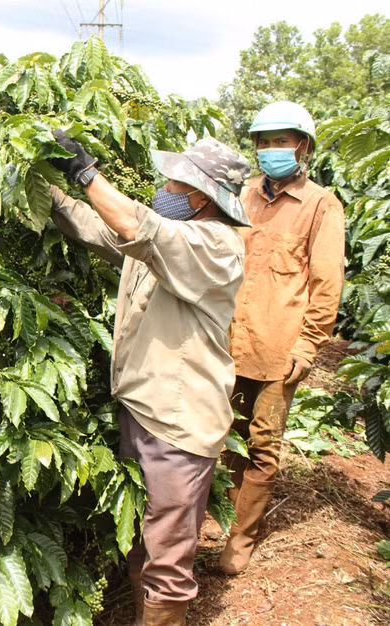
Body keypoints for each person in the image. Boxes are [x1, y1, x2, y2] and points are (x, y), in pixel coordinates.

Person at [47, 132, 251, 625]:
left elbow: (138, 224)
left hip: (179, 423)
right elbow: (102, 229)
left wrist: (85, 171)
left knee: (169, 554)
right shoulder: (167, 243)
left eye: (172, 182)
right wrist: (45, 189)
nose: (162, 188)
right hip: (143, 407)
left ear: (201, 197)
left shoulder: (214, 245)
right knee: (144, 535)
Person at [218, 101, 345, 575]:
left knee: (261, 442)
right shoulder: (242, 195)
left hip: (278, 348)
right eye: (264, 142)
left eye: (281, 141)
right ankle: (224, 514)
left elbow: (327, 282)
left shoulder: (320, 205)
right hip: (228, 342)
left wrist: (308, 345)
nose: (271, 150)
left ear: (303, 147)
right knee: (225, 433)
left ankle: (241, 539)